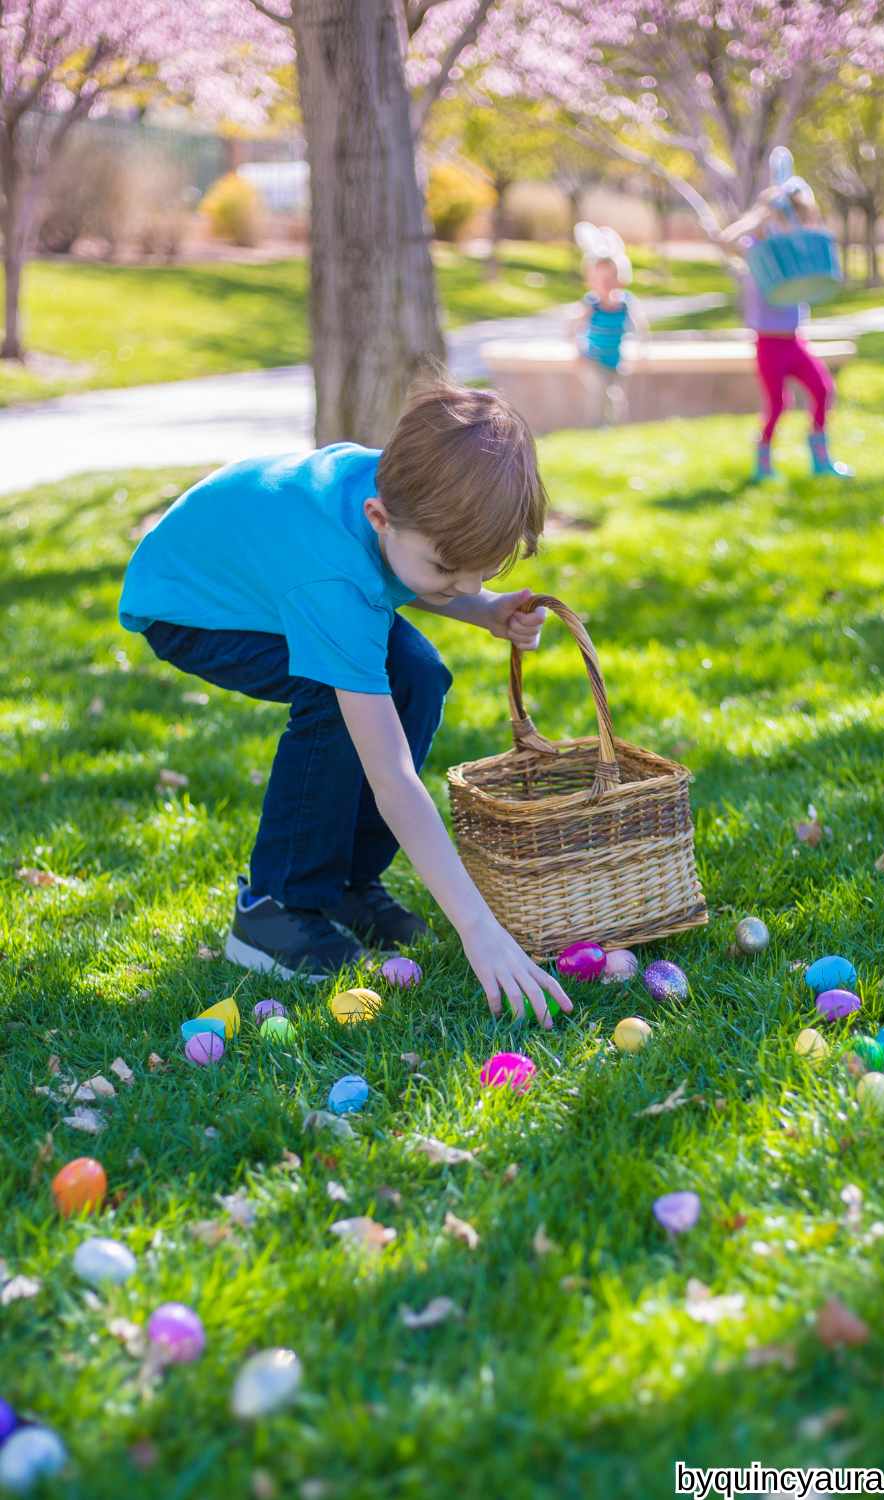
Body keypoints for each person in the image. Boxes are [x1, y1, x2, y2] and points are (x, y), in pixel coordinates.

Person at [118, 379, 572, 1028]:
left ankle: (348, 887)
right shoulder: (332, 575)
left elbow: (393, 566)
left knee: (415, 673)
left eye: (480, 574)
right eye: (450, 572)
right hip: (190, 604)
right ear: (379, 518)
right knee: (336, 696)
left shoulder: (401, 495)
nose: (463, 587)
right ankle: (275, 908)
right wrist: (478, 927)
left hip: (273, 575)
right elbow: (392, 779)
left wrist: (484, 611)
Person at [717, 185, 852, 483]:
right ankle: (763, 463)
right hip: (768, 343)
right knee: (778, 404)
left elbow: (816, 234)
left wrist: (795, 205)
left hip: (794, 340)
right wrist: (759, 215)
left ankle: (821, 459)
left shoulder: (795, 251)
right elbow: (725, 240)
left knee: (822, 389)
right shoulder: (756, 252)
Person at [569, 222, 649, 425]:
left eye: (611, 278)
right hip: (593, 359)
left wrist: (641, 350)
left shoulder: (625, 303)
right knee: (600, 393)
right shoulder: (591, 304)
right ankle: (596, 427)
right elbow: (573, 327)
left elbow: (640, 327)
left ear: (621, 278)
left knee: (616, 396)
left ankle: (615, 427)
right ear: (591, 281)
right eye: (600, 279)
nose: (606, 284)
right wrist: (578, 351)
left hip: (615, 359)